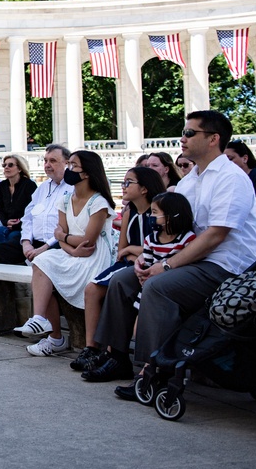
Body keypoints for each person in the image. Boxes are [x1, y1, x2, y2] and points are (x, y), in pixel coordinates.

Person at [82, 110, 256, 383]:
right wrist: (148, 259)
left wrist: (164, 266)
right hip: (190, 260)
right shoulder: (189, 181)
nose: (183, 138)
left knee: (158, 286)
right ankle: (116, 357)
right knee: (121, 281)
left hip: (224, 266)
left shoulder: (231, 178)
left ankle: (153, 371)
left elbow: (216, 236)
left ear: (213, 139)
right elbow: (173, 232)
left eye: (190, 133)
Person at [17, 151, 117, 358]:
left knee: (50, 267)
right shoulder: (65, 199)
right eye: (69, 164)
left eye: (74, 165)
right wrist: (71, 247)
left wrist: (66, 239)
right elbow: (60, 236)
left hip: (96, 256)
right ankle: (40, 319)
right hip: (74, 253)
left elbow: (87, 240)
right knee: (42, 261)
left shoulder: (99, 203)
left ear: (87, 173)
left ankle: (84, 345)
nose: (69, 169)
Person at [73, 167, 165, 371]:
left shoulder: (158, 211)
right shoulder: (130, 211)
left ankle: (113, 353)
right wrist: (135, 252)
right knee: (92, 289)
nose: (123, 187)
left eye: (128, 183)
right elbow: (122, 250)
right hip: (130, 262)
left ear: (143, 188)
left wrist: (135, 250)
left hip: (154, 264)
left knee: (117, 283)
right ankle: (92, 348)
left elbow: (160, 247)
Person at [0, 145, 71, 265]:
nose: (47, 165)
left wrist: (43, 248)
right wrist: (26, 242)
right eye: (45, 160)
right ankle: (14, 281)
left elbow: (69, 227)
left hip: (57, 243)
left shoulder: (74, 188)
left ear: (67, 164)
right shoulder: (43, 187)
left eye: (52, 161)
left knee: (44, 259)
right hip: (34, 241)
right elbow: (28, 216)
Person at [134, 192, 197, 309]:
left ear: (171, 215)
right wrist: (141, 274)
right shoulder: (150, 239)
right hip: (148, 287)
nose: (150, 216)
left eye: (154, 212)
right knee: (142, 314)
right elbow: (147, 264)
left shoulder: (187, 238)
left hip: (172, 287)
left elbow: (190, 263)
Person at [0, 154, 37, 245]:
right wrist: (6, 221)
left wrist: (18, 224)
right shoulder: (2, 185)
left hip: (24, 226)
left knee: (13, 236)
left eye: (10, 165)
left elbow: (33, 210)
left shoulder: (29, 185)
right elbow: (0, 210)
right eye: (4, 165)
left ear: (20, 169)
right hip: (7, 224)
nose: (6, 167)